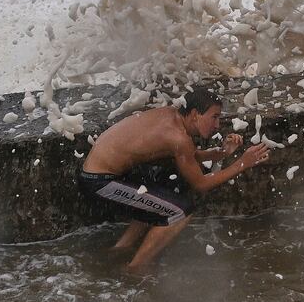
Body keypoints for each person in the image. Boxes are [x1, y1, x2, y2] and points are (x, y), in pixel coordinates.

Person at [78, 86, 270, 269]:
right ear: (195, 114)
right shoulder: (179, 138)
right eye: (214, 117)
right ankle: (136, 268)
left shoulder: (171, 116)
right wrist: (244, 162)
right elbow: (200, 184)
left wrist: (221, 153)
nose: (217, 125)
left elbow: (188, 157)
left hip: (102, 172)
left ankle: (122, 247)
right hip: (100, 181)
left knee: (167, 185)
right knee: (179, 212)